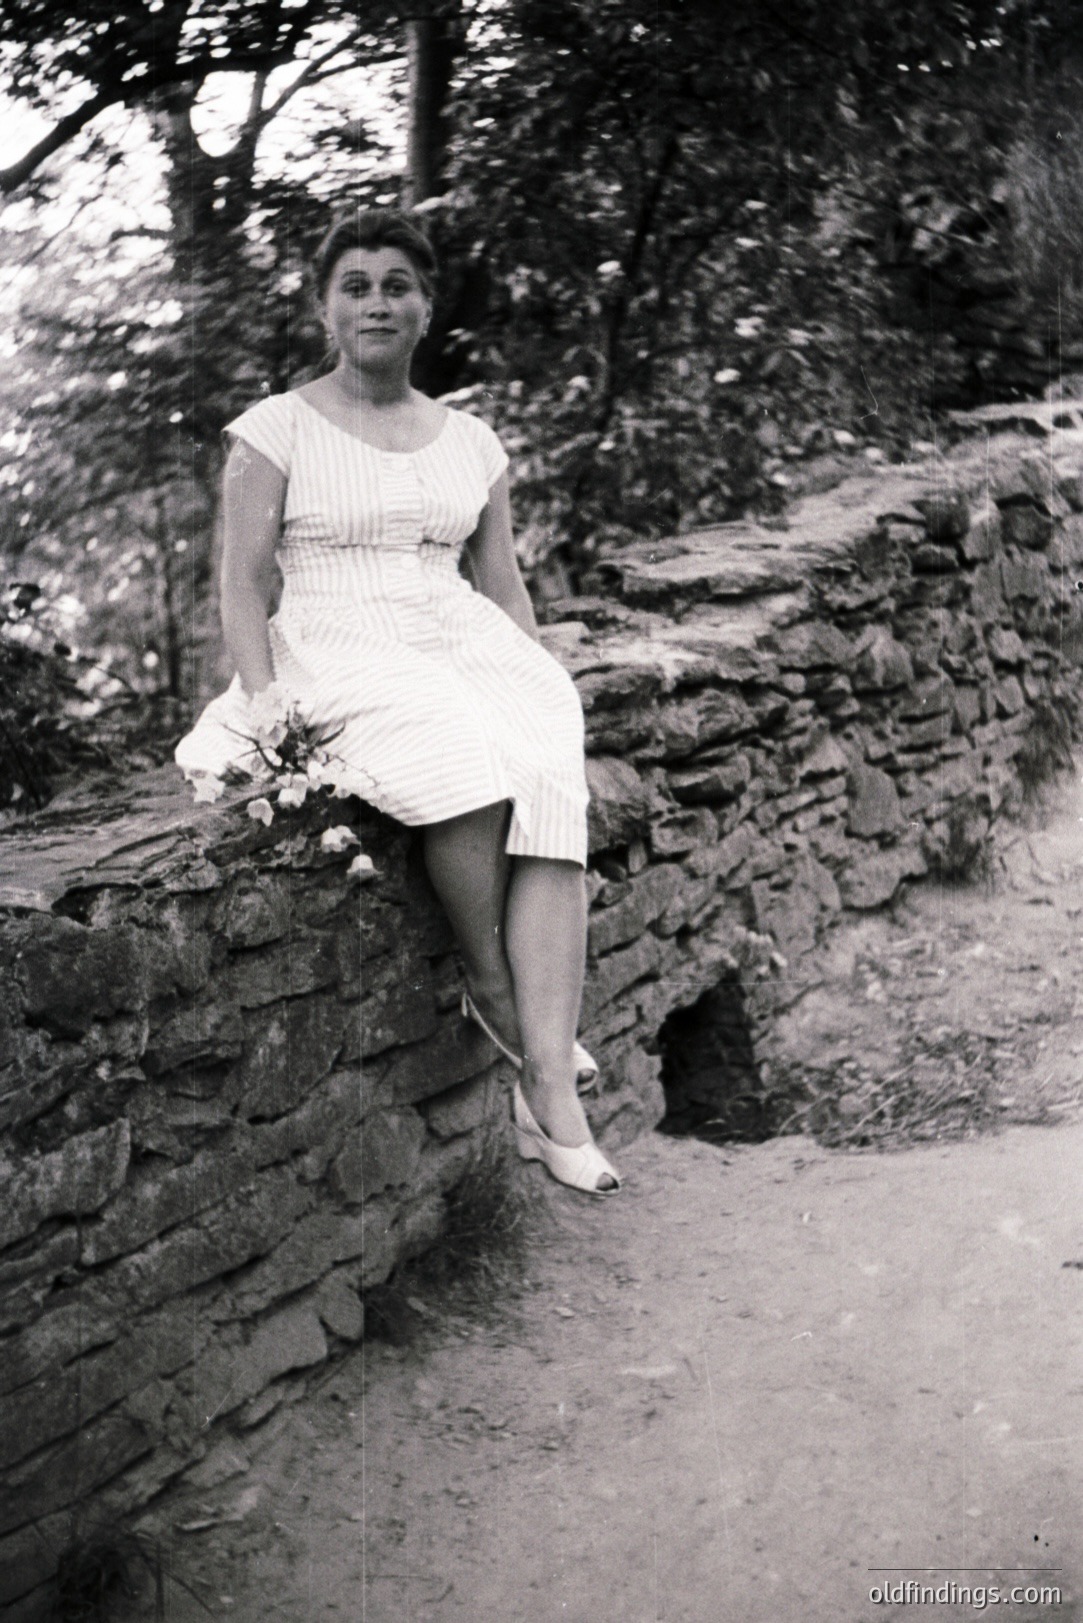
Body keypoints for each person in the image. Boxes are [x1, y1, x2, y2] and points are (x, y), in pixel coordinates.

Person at [175, 208, 620, 1195]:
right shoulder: (274, 430)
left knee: (546, 763)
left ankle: (542, 1066)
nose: (378, 301)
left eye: (397, 285)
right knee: (460, 752)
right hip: (339, 639)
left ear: (426, 307)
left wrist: (539, 673)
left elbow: (501, 583)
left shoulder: (470, 440)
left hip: (458, 630)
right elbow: (244, 586)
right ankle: (515, 1024)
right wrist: (265, 699)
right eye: (357, 285)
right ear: (325, 307)